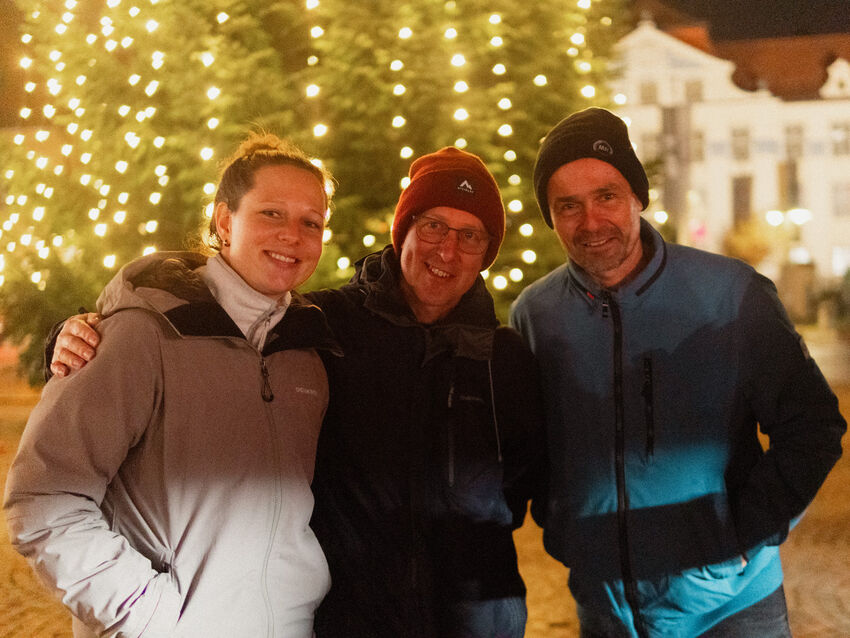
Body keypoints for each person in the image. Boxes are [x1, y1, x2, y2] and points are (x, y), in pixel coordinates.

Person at [44, 146, 546, 637]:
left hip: (476, 622)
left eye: (470, 235)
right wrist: (75, 337)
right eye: (433, 225)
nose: (447, 250)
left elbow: (524, 480)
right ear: (403, 232)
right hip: (350, 620)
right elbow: (225, 323)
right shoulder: (321, 326)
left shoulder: (505, 359)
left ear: (487, 253)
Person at [510, 107, 847, 638]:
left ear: (638, 197)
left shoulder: (731, 294)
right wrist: (567, 530)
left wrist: (742, 538)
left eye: (606, 196)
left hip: (731, 609)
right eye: (568, 206)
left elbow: (812, 428)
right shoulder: (535, 313)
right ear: (551, 217)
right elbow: (533, 449)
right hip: (606, 610)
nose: (590, 222)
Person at [5, 133, 340, 637]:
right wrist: (150, 617)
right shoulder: (140, 334)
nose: (292, 234)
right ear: (225, 221)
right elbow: (44, 497)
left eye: (311, 222)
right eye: (271, 213)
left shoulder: (308, 356)